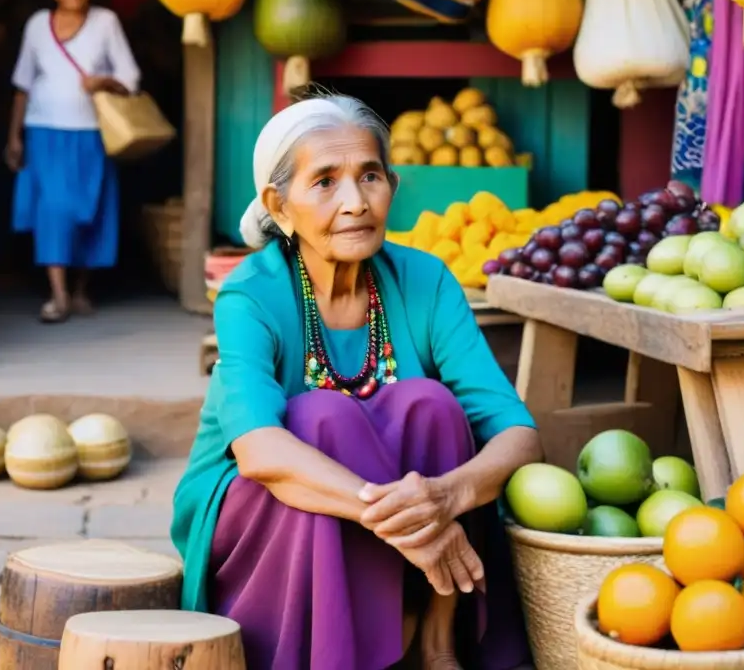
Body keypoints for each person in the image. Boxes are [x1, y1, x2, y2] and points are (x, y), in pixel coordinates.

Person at [171, 95, 542, 670]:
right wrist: (416, 529)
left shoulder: (426, 279)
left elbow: (518, 434)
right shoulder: (252, 292)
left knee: (432, 405)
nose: (354, 202)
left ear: (392, 184)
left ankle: (436, 645)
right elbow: (258, 449)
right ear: (280, 206)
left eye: (369, 176)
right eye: (324, 182)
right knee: (321, 418)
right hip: (262, 512)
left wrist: (448, 497)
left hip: (401, 510)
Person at [5, 0, 140, 322]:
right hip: (44, 132)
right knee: (54, 210)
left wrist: (105, 81)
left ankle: (80, 289)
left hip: (91, 134)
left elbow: (130, 79)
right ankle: (58, 295)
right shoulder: (36, 26)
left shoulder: (105, 22)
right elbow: (22, 85)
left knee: (89, 213)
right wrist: (14, 136)